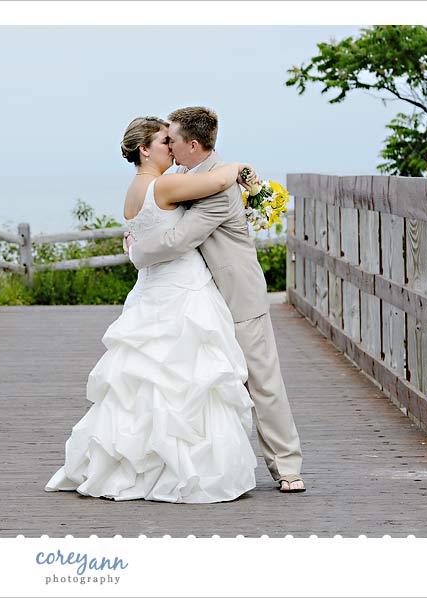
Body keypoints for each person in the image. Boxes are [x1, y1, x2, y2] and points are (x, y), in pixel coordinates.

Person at [45, 116, 260, 503]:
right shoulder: (163, 185)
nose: (172, 149)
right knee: (188, 380)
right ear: (145, 150)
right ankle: (185, 469)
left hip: (150, 291)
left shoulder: (134, 190)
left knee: (144, 385)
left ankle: (139, 462)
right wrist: (241, 167)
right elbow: (217, 181)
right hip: (183, 290)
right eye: (165, 142)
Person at [126, 107, 305, 493]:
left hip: (236, 294)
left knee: (262, 382)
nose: (169, 146)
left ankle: (287, 468)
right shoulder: (187, 178)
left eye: (173, 140)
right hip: (199, 297)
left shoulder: (219, 187)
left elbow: (179, 239)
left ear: (192, 145)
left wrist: (136, 251)